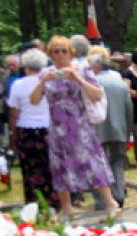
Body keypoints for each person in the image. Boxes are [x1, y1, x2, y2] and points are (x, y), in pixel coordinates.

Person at [28, 36, 120, 219]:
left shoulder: (82, 68)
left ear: (71, 52)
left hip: (80, 125)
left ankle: (110, 202)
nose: (61, 54)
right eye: (56, 51)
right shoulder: (45, 73)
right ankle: (66, 207)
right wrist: (42, 81)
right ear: (50, 54)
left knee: (93, 162)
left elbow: (97, 95)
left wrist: (77, 78)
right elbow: (34, 100)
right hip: (57, 127)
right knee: (60, 165)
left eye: (64, 51)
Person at [7, 49, 58, 208]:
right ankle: (52, 201)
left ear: (25, 66)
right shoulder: (50, 83)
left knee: (29, 168)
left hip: (25, 129)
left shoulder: (18, 84)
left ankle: (33, 202)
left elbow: (14, 112)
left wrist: (13, 133)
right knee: (49, 167)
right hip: (47, 128)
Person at [89, 50, 133, 209]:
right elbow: (129, 108)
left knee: (98, 165)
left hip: (97, 130)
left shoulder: (91, 83)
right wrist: (128, 130)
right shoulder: (120, 83)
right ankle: (119, 195)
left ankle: (101, 200)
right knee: (118, 162)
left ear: (96, 67)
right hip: (119, 129)